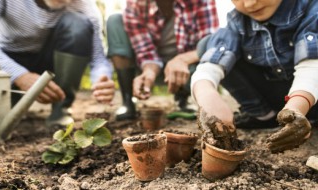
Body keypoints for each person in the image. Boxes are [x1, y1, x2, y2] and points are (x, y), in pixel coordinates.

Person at [191, 0, 318, 153]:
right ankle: (263, 116)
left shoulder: (311, 8)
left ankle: (303, 117)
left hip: (309, 97)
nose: (250, 4)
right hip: (276, 96)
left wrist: (296, 108)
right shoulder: (237, 21)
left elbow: (311, 67)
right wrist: (207, 95)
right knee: (207, 45)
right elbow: (210, 66)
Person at [0, 0, 115, 127]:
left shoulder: (84, 4)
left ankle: (61, 108)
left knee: (78, 25)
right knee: (4, 115)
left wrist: (101, 79)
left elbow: (98, 58)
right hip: (9, 61)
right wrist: (19, 75)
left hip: (52, 61)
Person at [106, 0, 219, 121]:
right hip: (151, 69)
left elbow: (210, 45)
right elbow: (145, 51)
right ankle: (127, 101)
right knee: (115, 20)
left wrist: (182, 60)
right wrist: (149, 72)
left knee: (206, 65)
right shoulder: (135, 3)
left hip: (186, 70)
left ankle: (182, 99)